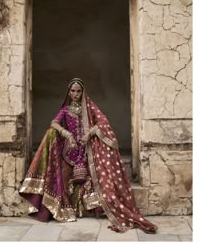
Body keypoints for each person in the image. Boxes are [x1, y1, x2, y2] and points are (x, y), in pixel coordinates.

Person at [19, 78, 157, 233]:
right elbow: (54, 123)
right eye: (73, 91)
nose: (75, 94)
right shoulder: (65, 110)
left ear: (82, 92)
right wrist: (67, 134)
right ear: (69, 93)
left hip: (87, 150)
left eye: (78, 91)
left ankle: (96, 209)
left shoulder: (89, 108)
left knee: (91, 177)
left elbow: (103, 122)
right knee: (63, 177)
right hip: (69, 150)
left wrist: (89, 134)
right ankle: (65, 209)